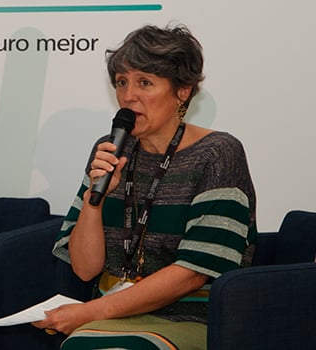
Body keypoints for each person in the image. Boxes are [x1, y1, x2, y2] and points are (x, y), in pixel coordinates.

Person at [35, 24, 257, 350]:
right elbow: (84, 270)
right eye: (122, 82)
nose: (128, 95)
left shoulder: (217, 153)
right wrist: (93, 203)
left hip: (194, 316)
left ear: (182, 91)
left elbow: (194, 272)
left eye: (145, 83)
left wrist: (87, 312)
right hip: (112, 312)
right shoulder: (111, 149)